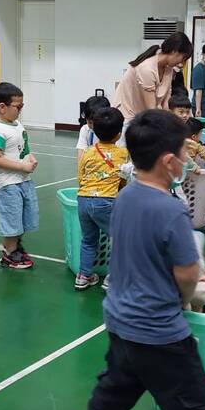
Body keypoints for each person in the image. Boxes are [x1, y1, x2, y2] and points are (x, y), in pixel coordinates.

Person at [75, 110, 205, 410]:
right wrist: (186, 298)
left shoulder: (124, 196)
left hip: (119, 319)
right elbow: (187, 274)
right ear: (169, 161)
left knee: (120, 382)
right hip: (158, 330)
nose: (186, 159)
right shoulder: (172, 210)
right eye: (184, 153)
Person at [75, 107, 129, 291]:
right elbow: (123, 179)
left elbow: (81, 176)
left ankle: (83, 276)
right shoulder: (122, 153)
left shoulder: (88, 152)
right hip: (106, 201)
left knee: (88, 240)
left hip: (83, 200)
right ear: (119, 133)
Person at [0, 82, 39, 271]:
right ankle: (10, 253)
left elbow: (23, 147)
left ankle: (13, 245)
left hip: (23, 180)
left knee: (24, 217)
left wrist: (30, 157)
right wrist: (22, 166)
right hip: (7, 183)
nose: (21, 110)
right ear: (2, 107)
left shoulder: (17, 124)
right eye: (18, 106)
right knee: (12, 218)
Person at [113, 32, 193, 126]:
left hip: (144, 116)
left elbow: (166, 102)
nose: (181, 64)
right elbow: (151, 110)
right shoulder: (147, 68)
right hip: (129, 118)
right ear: (174, 51)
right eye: (183, 58)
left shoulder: (168, 68)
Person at [77, 95, 111, 160]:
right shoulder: (85, 130)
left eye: (95, 123)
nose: (93, 126)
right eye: (90, 122)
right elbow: (81, 155)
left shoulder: (112, 131)